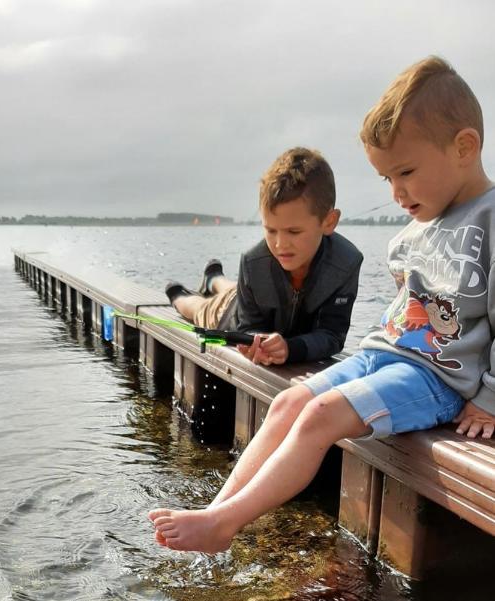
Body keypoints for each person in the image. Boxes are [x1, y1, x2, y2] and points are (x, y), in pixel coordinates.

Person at [149, 56, 495, 553]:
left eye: (406, 172)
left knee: (319, 416)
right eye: (386, 180)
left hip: (435, 377)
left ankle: (227, 523)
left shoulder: (489, 220)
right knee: (291, 401)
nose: (396, 192)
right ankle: (215, 513)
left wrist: (489, 398)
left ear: (464, 147)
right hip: (382, 355)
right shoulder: (420, 225)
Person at [165, 147, 363, 366]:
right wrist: (256, 341)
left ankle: (214, 279)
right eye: (270, 230)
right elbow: (247, 327)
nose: (279, 244)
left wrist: (291, 348)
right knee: (202, 309)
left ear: (328, 222)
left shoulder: (347, 263)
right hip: (230, 312)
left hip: (247, 296)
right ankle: (179, 295)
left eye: (294, 232)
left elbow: (333, 335)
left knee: (233, 290)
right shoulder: (252, 262)